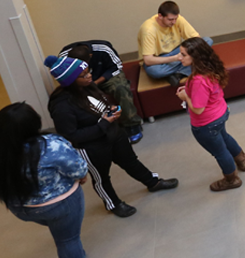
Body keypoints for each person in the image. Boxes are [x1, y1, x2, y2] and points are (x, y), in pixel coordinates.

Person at [0, 103, 109, 258]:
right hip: (59, 205)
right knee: (68, 239)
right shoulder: (51, 146)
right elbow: (78, 169)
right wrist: (81, 178)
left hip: (21, 207)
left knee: (63, 236)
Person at [45, 55, 179, 217]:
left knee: (131, 162)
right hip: (92, 147)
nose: (89, 76)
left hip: (114, 134)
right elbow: (71, 135)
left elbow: (99, 106)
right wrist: (103, 124)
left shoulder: (89, 87)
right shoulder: (62, 105)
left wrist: (112, 110)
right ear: (70, 80)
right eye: (84, 75)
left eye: (89, 72)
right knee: (102, 178)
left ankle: (153, 182)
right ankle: (113, 204)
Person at [175, 37, 245, 191]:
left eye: (183, 54)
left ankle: (231, 179)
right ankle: (242, 160)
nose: (179, 57)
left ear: (195, 57)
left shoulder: (198, 80)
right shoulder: (210, 68)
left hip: (206, 123)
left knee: (220, 152)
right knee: (225, 137)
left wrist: (185, 96)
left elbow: (198, 109)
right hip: (220, 113)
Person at [60, 41, 144, 144]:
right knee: (73, 96)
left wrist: (95, 83)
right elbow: (63, 77)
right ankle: (92, 129)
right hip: (79, 80)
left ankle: (132, 124)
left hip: (106, 75)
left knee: (121, 88)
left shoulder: (103, 49)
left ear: (90, 57)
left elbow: (116, 67)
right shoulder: (64, 57)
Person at [137, 1, 213, 88]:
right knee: (155, 71)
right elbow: (148, 60)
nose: (174, 22)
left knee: (207, 41)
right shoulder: (148, 30)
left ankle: (178, 73)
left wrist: (183, 54)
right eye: (170, 19)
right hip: (158, 59)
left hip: (178, 51)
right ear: (160, 16)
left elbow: (197, 39)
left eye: (175, 19)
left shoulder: (177, 19)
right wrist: (176, 58)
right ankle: (188, 67)